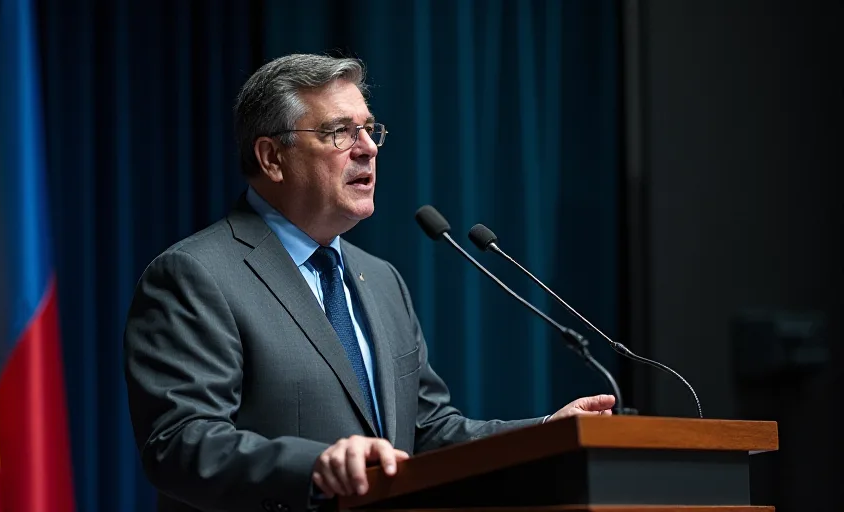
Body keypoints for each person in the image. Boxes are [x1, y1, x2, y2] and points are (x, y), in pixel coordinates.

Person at [123, 53, 615, 512]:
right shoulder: (196, 275)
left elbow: (427, 430)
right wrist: (315, 466)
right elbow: (180, 443)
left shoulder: (380, 279)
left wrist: (548, 433)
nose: (369, 148)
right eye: (340, 132)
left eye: (369, 128)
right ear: (272, 157)